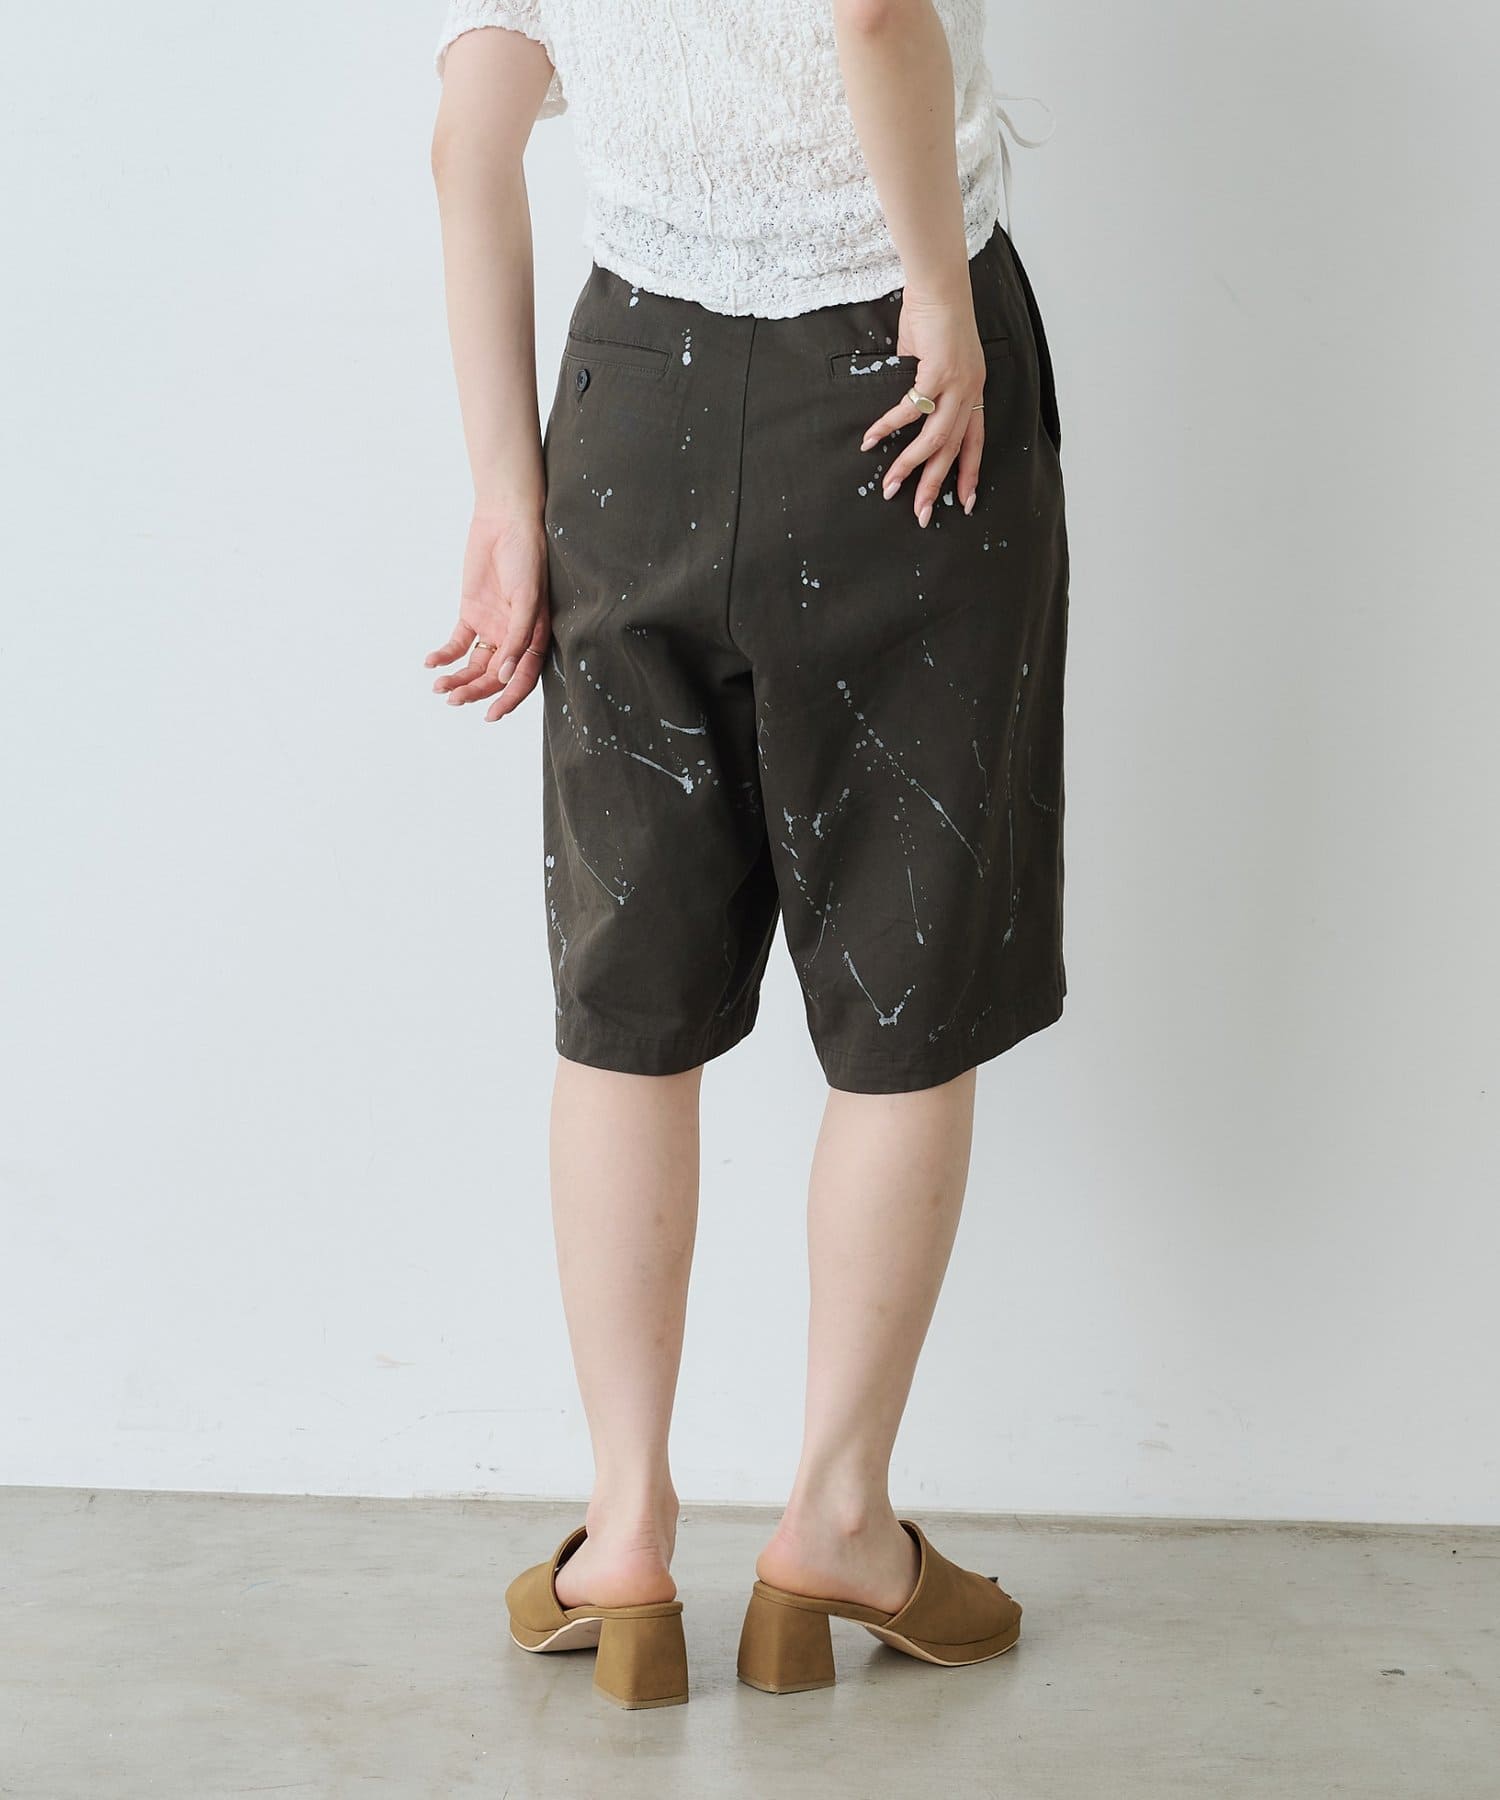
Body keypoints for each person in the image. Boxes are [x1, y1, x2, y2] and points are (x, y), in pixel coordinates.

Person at [426, 0, 1068, 1709]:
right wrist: (937, 292)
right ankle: (838, 1521)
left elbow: (470, 138)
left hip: (630, 403)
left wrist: (506, 494)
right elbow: (875, 11)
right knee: (907, 976)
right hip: (899, 401)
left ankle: (625, 1538)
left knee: (627, 998)